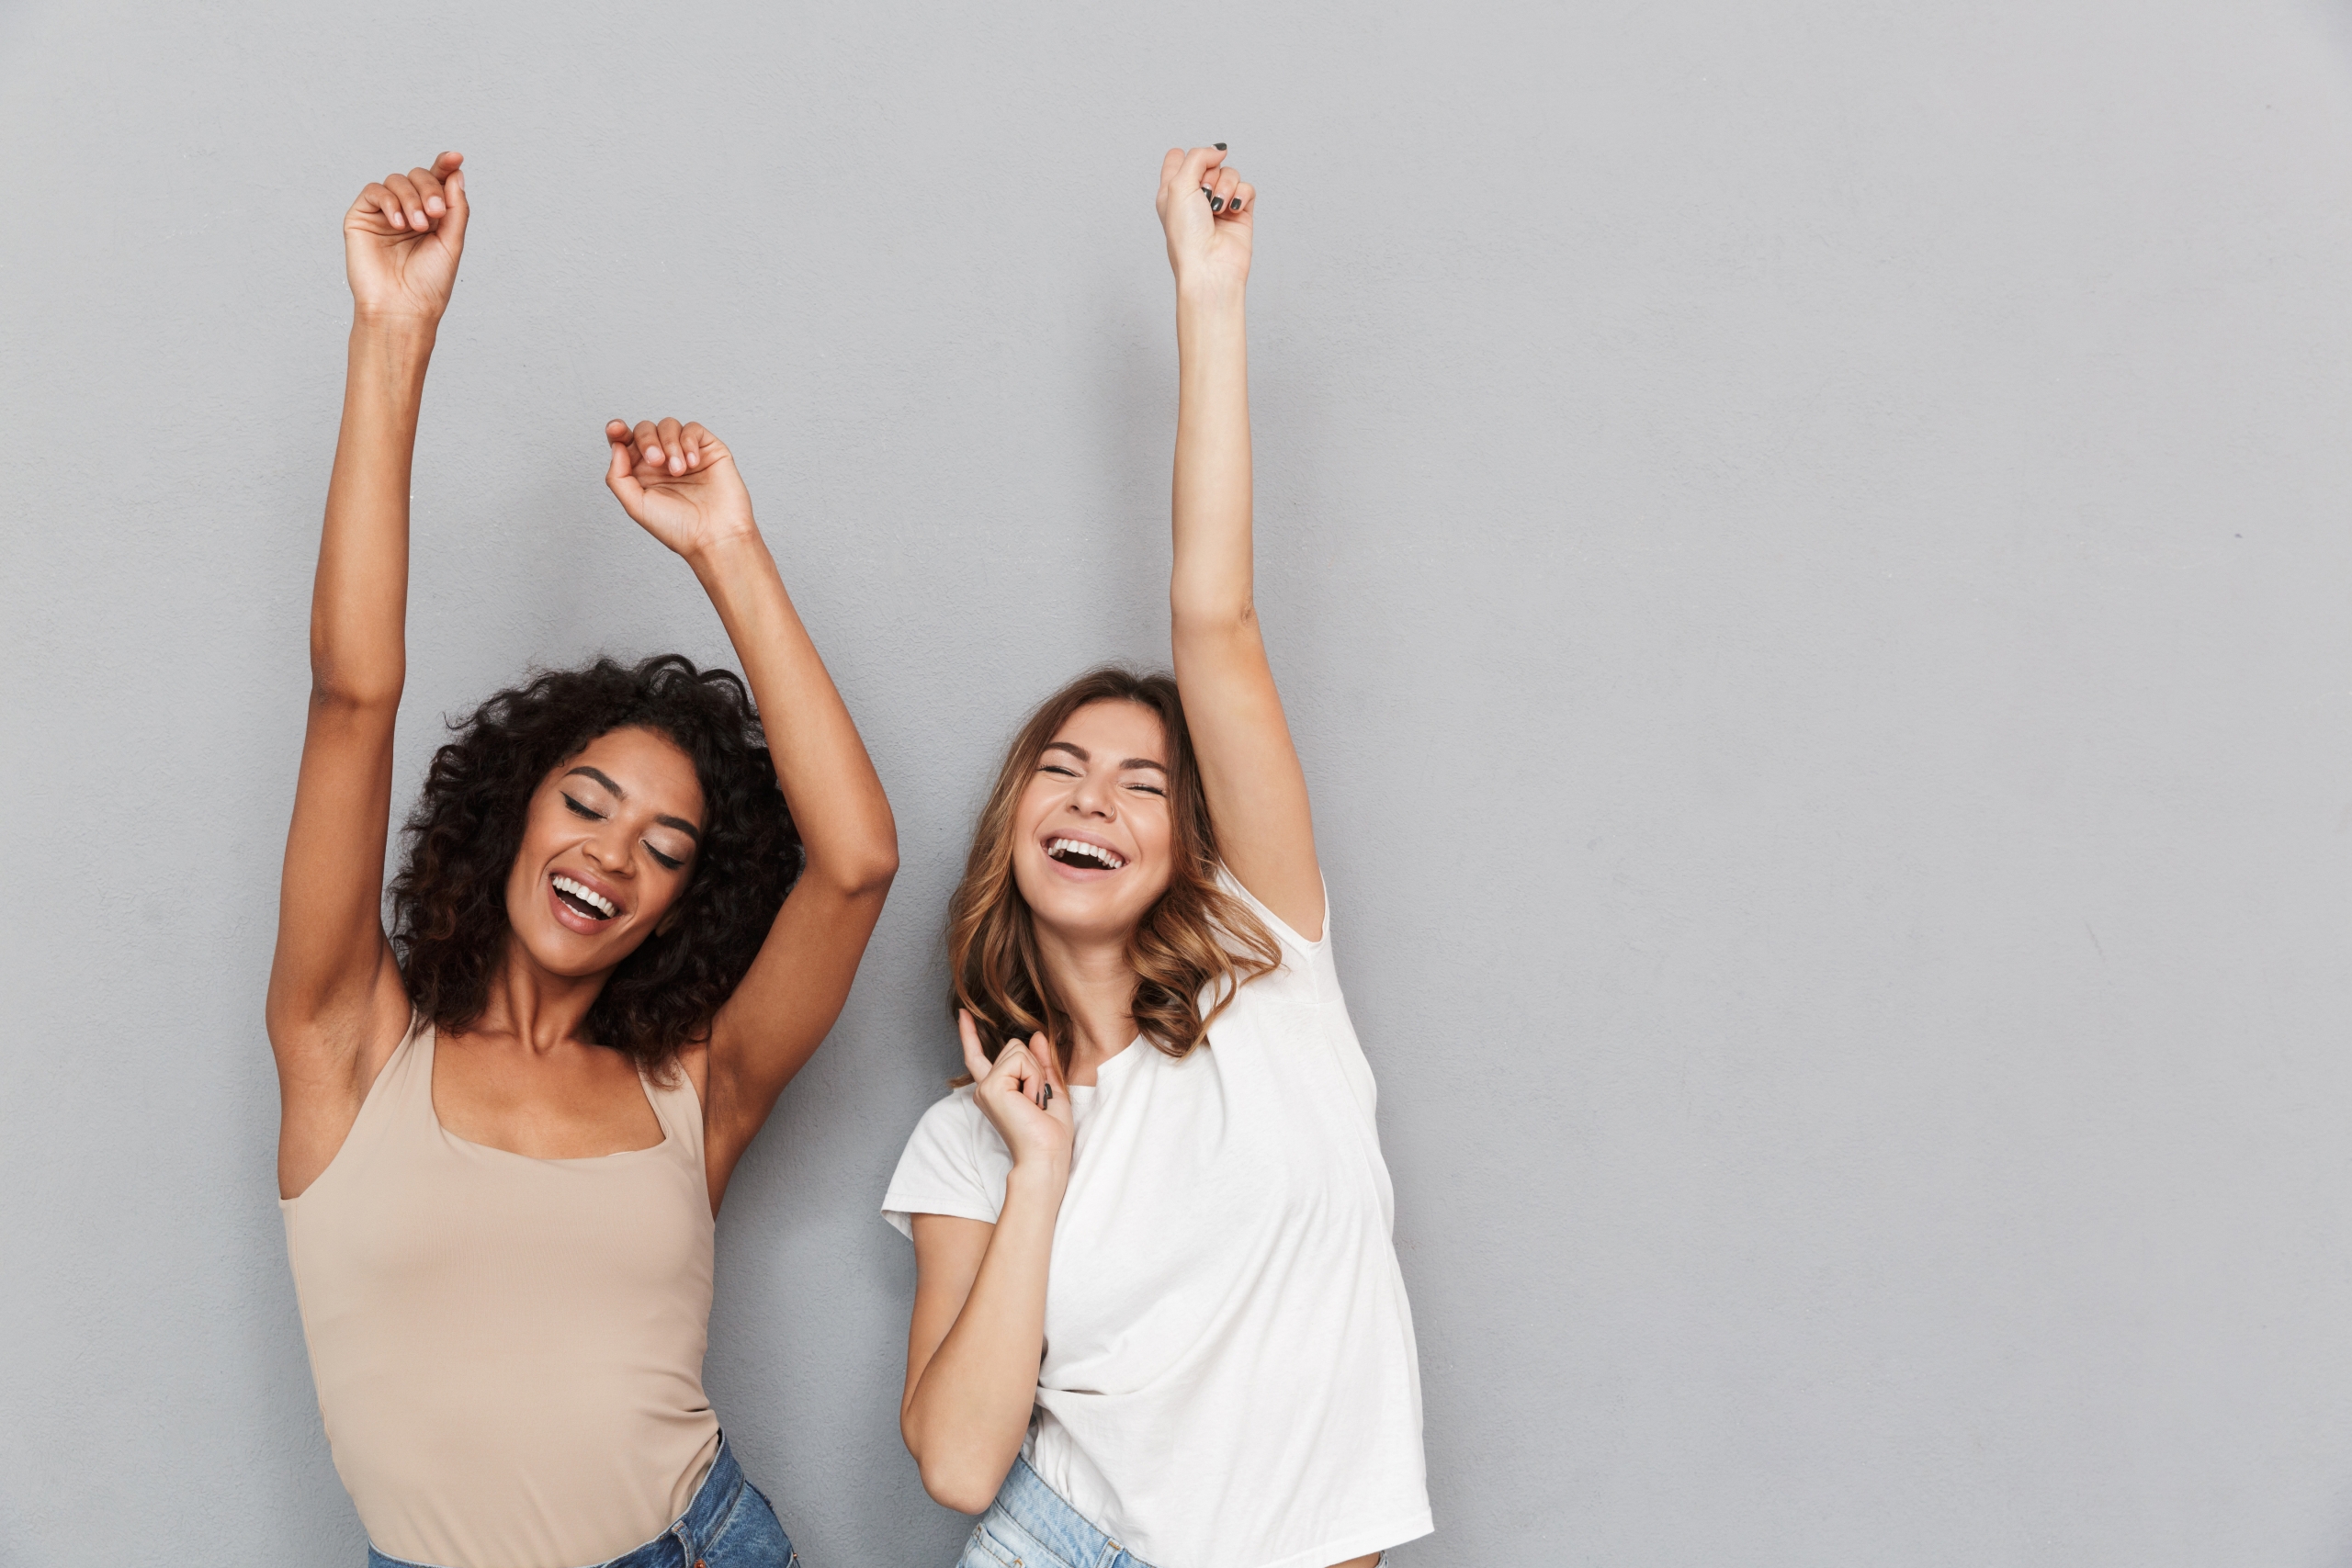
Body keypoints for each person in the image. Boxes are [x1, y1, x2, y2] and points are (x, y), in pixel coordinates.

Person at [268, 151, 898, 1568]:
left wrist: (728, 550)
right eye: (589, 802)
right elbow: (351, 696)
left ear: (682, 903)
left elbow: (855, 865)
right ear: (514, 810)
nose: (613, 854)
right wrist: (393, 336)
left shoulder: (694, 1089)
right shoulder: (348, 1043)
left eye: (665, 847)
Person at [884, 147, 1430, 1568]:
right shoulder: (973, 1141)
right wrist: (1042, 1168)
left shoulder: (1276, 968)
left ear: (1197, 848)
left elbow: (1216, 622)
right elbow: (953, 1463)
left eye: (1141, 783)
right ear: (1017, 829)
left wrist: (1209, 294)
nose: (1094, 800)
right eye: (1060, 772)